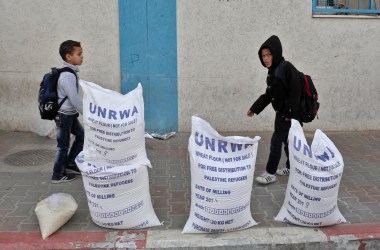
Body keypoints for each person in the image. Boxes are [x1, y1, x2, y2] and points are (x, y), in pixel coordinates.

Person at [247, 35, 302, 184]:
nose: (265, 58)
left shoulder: (285, 67)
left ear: (276, 53)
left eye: (269, 54)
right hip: (283, 113)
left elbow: (296, 90)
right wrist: (254, 108)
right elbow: (268, 95)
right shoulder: (272, 72)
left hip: (290, 114)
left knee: (276, 141)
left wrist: (289, 113)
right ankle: (291, 167)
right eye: (263, 55)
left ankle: (270, 173)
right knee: (287, 141)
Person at [52, 40, 84, 184]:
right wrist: (88, 113)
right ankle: (58, 174)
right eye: (79, 54)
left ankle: (70, 163)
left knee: (82, 135)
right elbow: (74, 99)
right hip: (63, 115)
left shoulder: (71, 72)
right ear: (68, 57)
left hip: (69, 114)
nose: (82, 56)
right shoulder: (67, 76)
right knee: (63, 145)